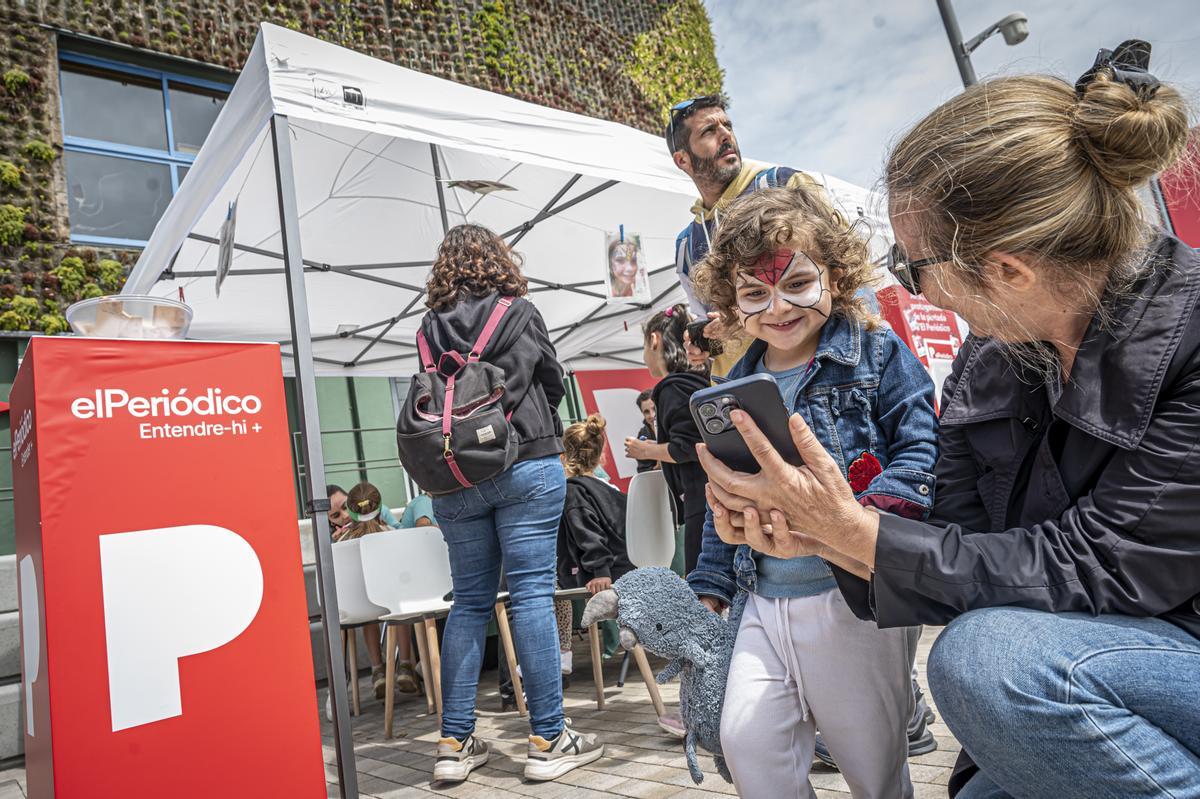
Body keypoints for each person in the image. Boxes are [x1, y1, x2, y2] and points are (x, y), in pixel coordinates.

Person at [698, 43, 1200, 798]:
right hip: (1088, 664)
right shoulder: (993, 357)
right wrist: (819, 533)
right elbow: (952, 542)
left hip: (1158, 650)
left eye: (912, 266)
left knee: (984, 662)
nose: (913, 288)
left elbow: (1096, 565)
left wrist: (855, 533)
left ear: (1007, 269)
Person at [687, 184, 937, 798]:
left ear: (835, 273)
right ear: (731, 304)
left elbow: (922, 444)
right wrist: (711, 587)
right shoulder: (732, 388)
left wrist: (866, 520)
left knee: (871, 765)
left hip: (854, 598)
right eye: (754, 292)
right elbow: (726, 493)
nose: (777, 307)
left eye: (797, 283)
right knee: (748, 743)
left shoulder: (876, 352)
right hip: (762, 599)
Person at [419, 223, 603, 784]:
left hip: (454, 478)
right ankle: (548, 737)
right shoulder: (518, 311)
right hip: (525, 462)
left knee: (470, 604)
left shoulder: (428, 326)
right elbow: (551, 382)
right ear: (500, 260)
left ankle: (453, 743)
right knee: (530, 596)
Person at [665, 93, 825, 376]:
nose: (725, 135)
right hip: (746, 396)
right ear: (683, 160)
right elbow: (717, 329)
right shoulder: (687, 246)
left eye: (727, 126)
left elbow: (842, 279)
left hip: (815, 379)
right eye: (709, 131)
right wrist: (706, 345)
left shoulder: (785, 185)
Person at [624, 304, 709, 575]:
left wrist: (645, 451)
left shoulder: (673, 387)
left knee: (702, 583)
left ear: (654, 339)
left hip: (700, 495)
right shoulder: (696, 380)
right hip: (709, 492)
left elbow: (686, 447)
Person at [329, 482, 420, 699]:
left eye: (343, 508)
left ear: (352, 506)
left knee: (370, 607)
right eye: (334, 515)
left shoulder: (338, 542)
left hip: (359, 607)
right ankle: (406, 664)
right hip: (391, 602)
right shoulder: (388, 529)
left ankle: (378, 670)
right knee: (400, 605)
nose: (342, 516)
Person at [327, 482, 400, 535]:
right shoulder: (328, 534)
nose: (345, 515)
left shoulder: (379, 510)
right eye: (336, 516)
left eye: (345, 506)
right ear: (330, 521)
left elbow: (400, 531)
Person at [633, 390, 659, 473]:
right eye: (646, 412)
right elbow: (643, 471)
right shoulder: (643, 436)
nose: (652, 415)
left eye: (654, 409)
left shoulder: (673, 427)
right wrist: (658, 467)